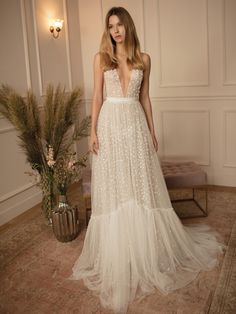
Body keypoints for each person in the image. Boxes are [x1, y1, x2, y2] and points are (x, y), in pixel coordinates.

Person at [68, 6, 226, 314]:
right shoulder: (101, 58)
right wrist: (92, 133)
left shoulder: (144, 59)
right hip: (111, 126)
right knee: (118, 186)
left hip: (136, 125)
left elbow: (144, 98)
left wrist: (152, 130)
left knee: (140, 184)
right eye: (110, 25)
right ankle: (120, 252)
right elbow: (98, 97)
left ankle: (147, 249)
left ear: (128, 26)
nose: (115, 30)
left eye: (119, 24)